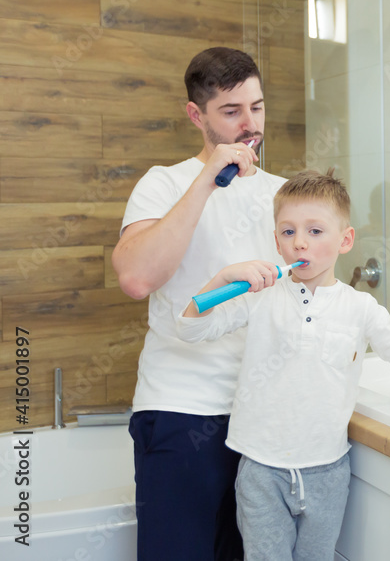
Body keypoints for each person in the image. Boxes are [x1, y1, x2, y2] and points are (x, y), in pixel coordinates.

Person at [177, 169, 390, 560]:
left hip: (328, 471)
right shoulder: (259, 298)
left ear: (345, 240)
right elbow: (188, 329)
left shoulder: (360, 307)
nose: (299, 242)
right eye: (288, 232)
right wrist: (222, 277)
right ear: (276, 241)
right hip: (261, 471)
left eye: (315, 231)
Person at [113, 47, 286, 560]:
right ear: (196, 115)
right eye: (231, 112)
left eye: (256, 107)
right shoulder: (163, 184)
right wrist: (206, 182)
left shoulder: (285, 197)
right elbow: (138, 277)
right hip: (181, 411)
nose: (249, 124)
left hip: (261, 416)